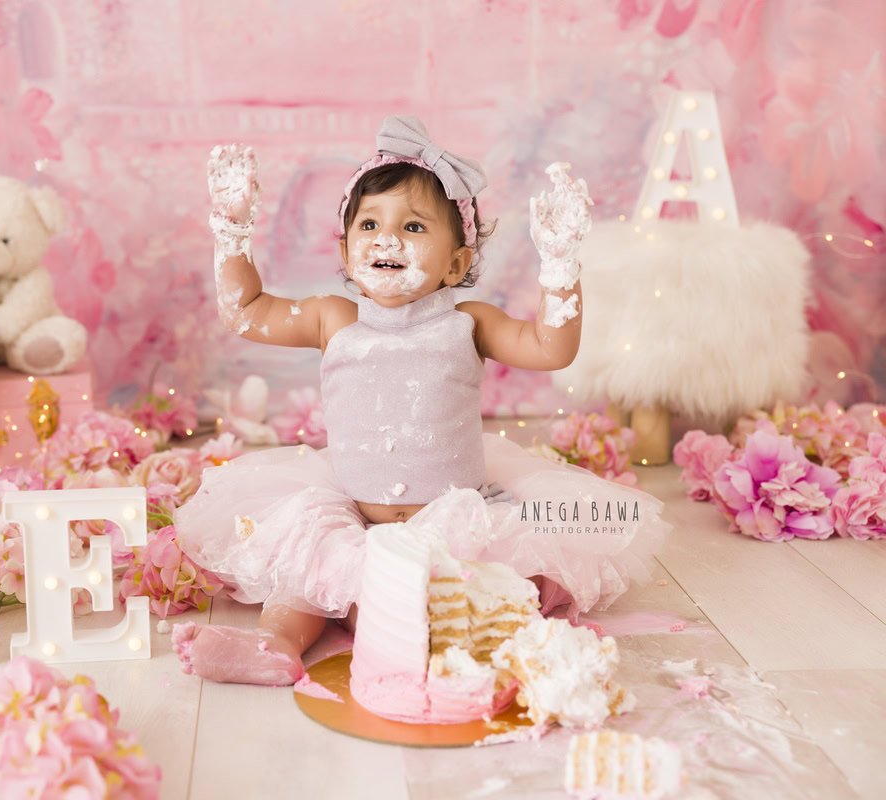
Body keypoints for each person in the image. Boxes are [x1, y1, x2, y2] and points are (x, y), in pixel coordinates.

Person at [171, 115, 669, 686]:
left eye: (413, 227)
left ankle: (432, 626)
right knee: (306, 564)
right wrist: (232, 233)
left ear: (456, 263)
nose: (387, 238)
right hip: (358, 511)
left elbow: (551, 347)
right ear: (345, 245)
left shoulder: (467, 323)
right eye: (370, 224)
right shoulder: (332, 318)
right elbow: (245, 311)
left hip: (453, 513)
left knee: (488, 589)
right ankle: (275, 642)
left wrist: (559, 268)